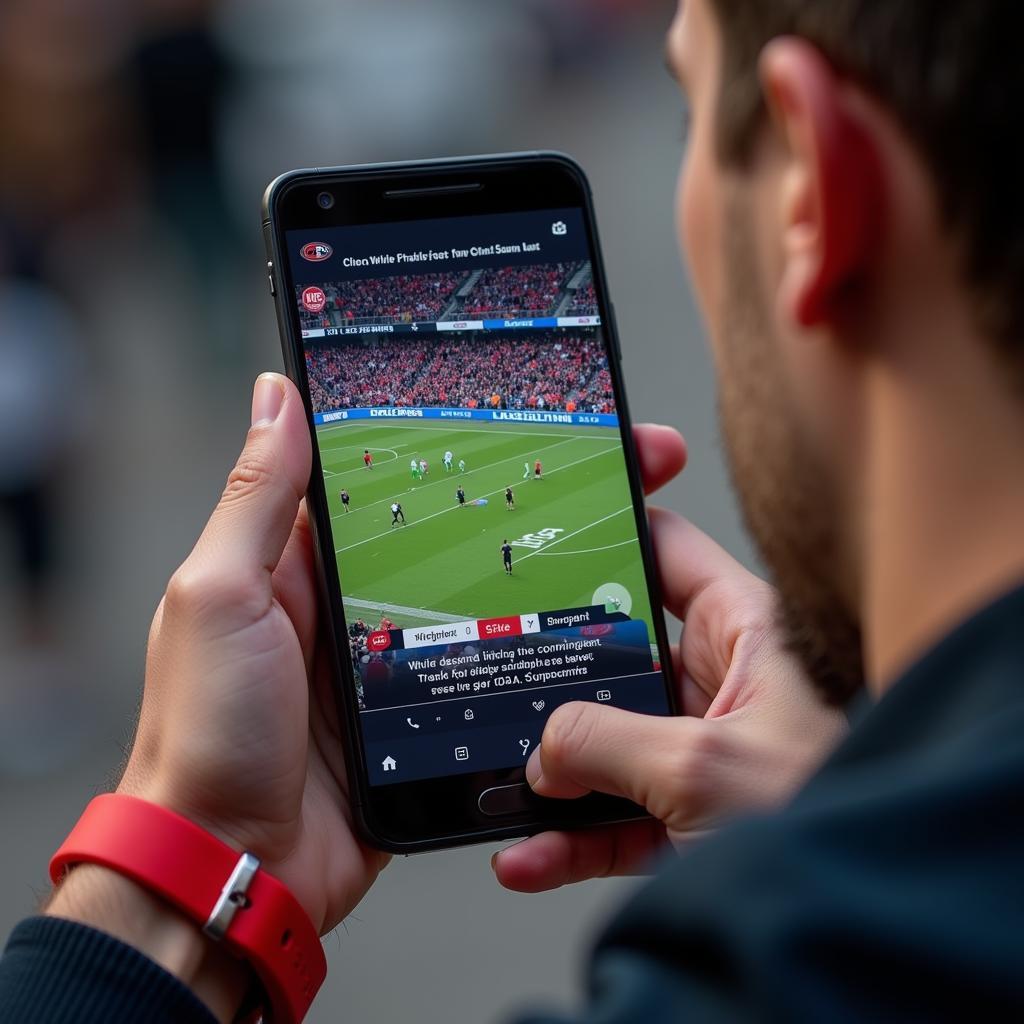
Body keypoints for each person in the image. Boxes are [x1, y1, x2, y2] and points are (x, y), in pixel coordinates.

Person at [3, 1, 1024, 1020]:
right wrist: (842, 813)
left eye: (688, 118)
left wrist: (186, 860)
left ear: (810, 180)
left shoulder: (771, 976)